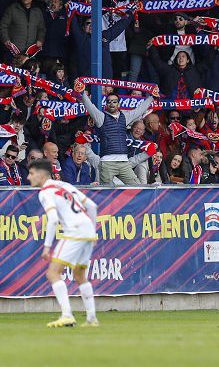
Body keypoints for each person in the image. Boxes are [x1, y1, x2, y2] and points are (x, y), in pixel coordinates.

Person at [27, 160, 99, 328]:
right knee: (80, 276)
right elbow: (92, 206)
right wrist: (93, 232)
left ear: (42, 174)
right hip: (88, 230)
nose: (28, 177)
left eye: (31, 173)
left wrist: (46, 247)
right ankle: (91, 319)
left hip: (73, 231)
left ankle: (67, 315)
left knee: (53, 273)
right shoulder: (65, 185)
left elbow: (52, 220)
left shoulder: (45, 192)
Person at [80, 90, 153, 186]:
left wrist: (152, 97)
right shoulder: (101, 117)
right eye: (109, 101)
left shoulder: (125, 117)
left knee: (137, 188)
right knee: (106, 195)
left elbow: (140, 110)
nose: (111, 104)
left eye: (114, 101)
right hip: (106, 164)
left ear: (118, 104)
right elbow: (90, 107)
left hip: (124, 163)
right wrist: (82, 93)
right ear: (106, 104)